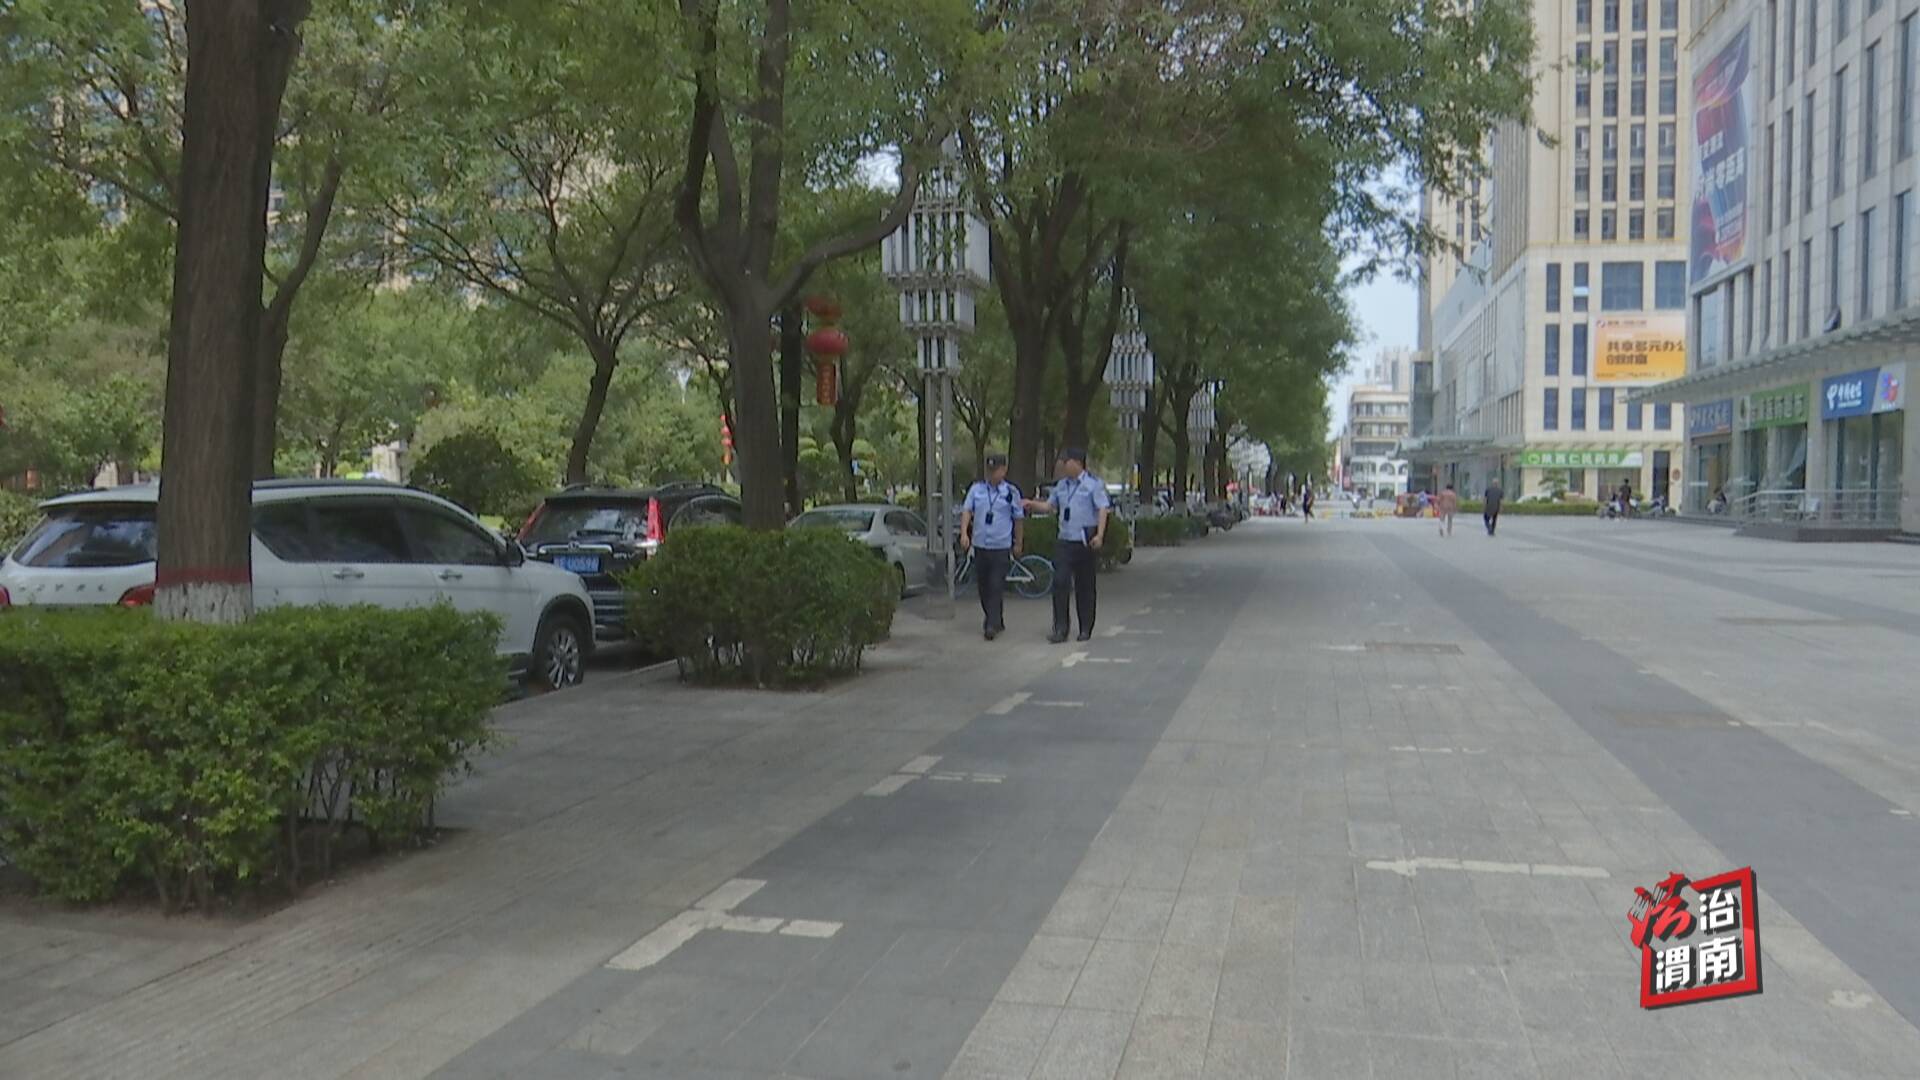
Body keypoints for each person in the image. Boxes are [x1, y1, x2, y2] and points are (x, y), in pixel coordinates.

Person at [1024, 448, 1109, 643]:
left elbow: (1103, 509)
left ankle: (1085, 627)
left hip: (1084, 541)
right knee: (1060, 582)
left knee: (1085, 586)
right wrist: (1032, 504)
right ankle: (1061, 628)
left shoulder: (1093, 485)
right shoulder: (1061, 486)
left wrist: (1100, 535)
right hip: (1064, 541)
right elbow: (1049, 506)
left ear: (1077, 463)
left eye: (1066, 461)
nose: (1063, 465)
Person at [957, 452, 1024, 641]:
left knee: (996, 585)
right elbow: (967, 511)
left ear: (1004, 470)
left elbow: (1018, 519)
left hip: (1000, 547)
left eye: (996, 470)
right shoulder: (977, 489)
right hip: (981, 546)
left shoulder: (1011, 492)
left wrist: (1018, 543)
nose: (992, 474)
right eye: (989, 470)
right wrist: (964, 533)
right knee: (984, 587)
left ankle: (991, 624)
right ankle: (996, 618)